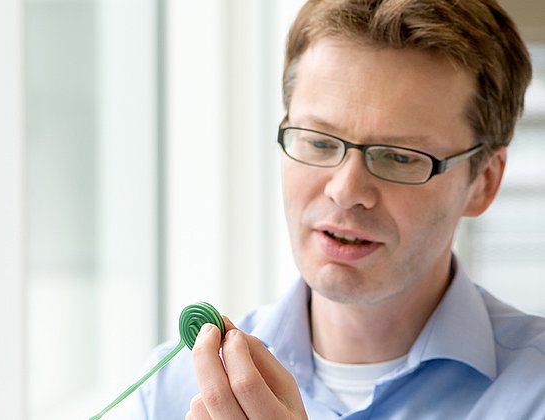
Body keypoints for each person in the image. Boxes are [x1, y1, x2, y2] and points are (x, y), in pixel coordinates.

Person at [126, 0, 545, 418]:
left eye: (399, 156)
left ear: (484, 182)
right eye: (319, 142)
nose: (346, 191)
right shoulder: (171, 389)